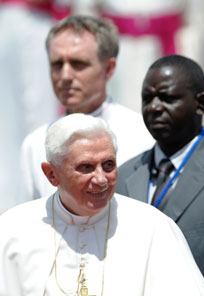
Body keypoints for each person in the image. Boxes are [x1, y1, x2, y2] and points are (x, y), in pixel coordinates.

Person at [0, 113, 204, 296]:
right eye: (86, 167)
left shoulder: (154, 227)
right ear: (51, 174)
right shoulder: (12, 230)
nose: (101, 179)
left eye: (108, 165)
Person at [116, 55, 204, 285]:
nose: (154, 107)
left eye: (167, 98)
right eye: (147, 98)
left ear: (201, 103)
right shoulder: (122, 175)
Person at [17, 15, 154, 206]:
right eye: (57, 64)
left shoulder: (143, 134)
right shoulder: (34, 143)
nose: (65, 75)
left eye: (78, 64)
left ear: (109, 68)